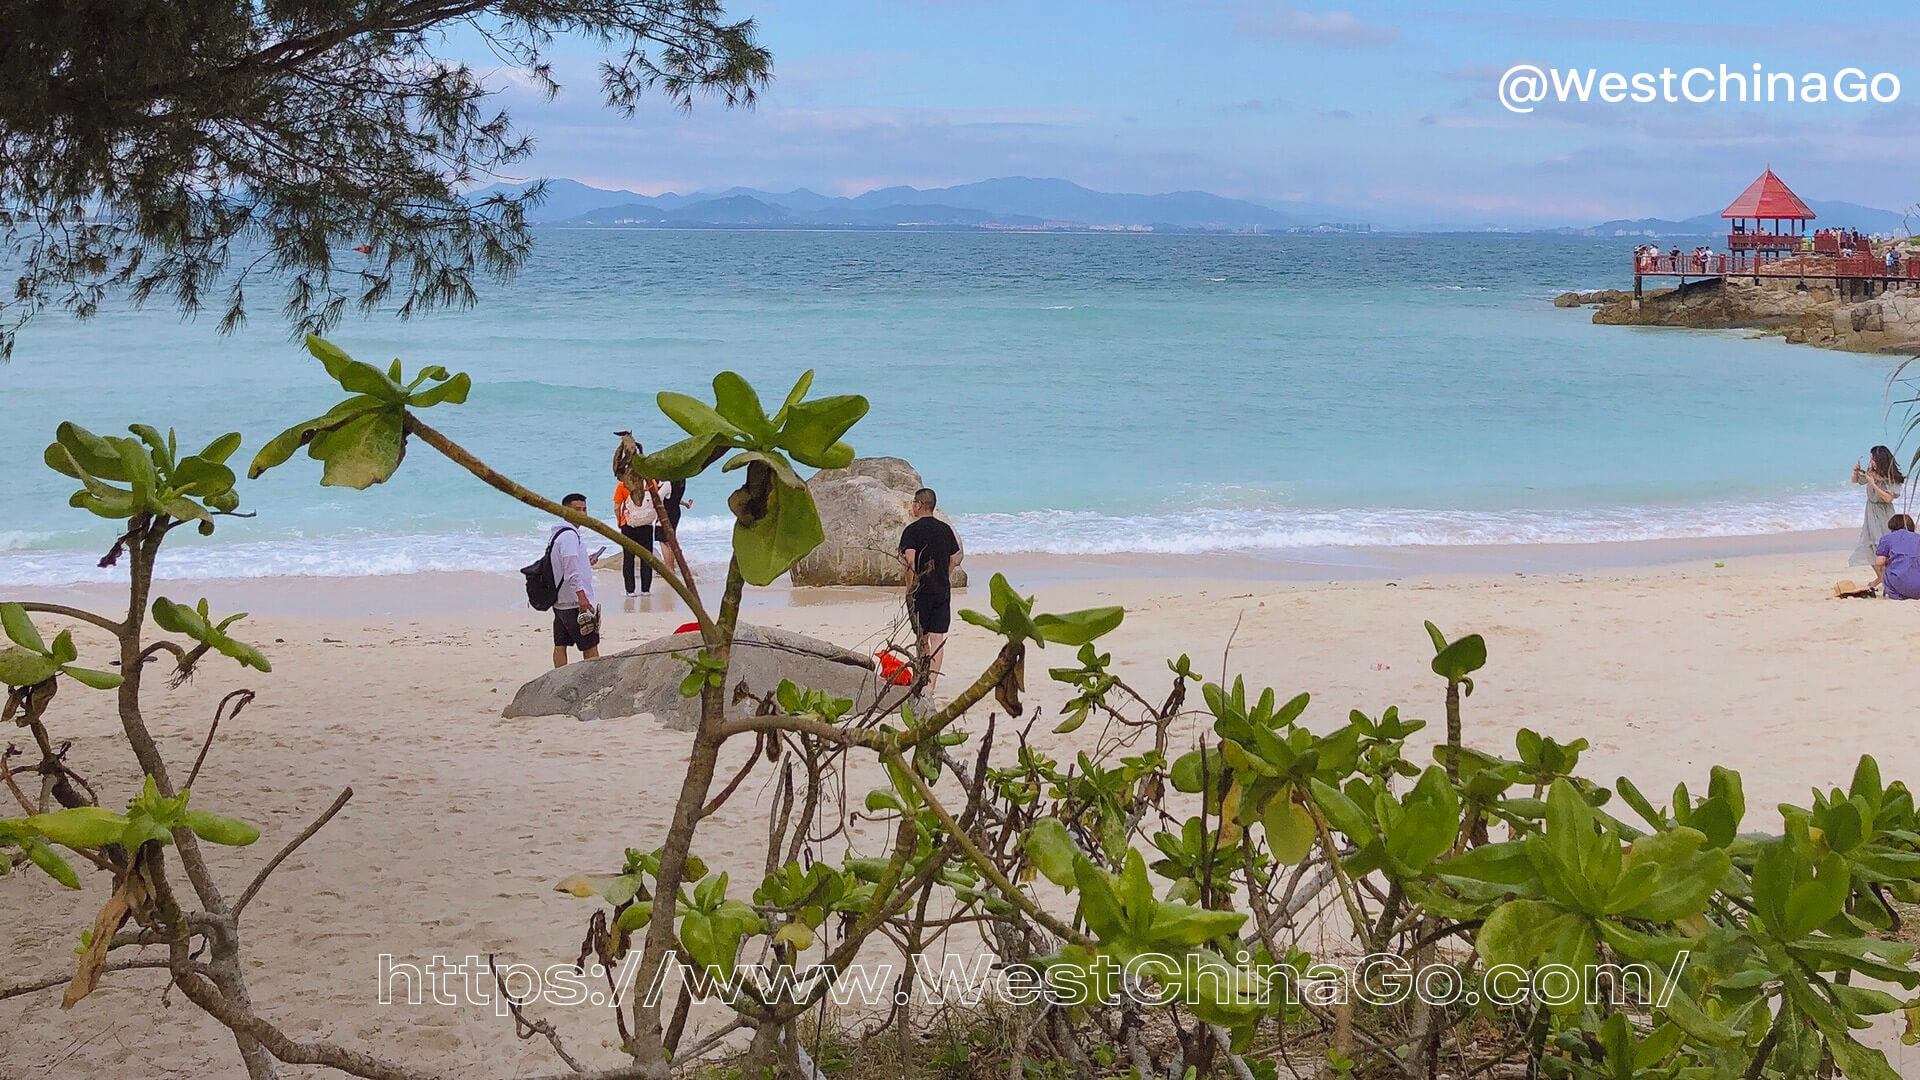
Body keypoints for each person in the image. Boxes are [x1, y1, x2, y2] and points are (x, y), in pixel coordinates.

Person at [898, 487, 962, 696]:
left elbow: (910, 559)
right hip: (942, 589)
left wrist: (910, 586)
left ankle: (922, 676)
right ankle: (931, 685)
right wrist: (945, 575)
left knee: (922, 637)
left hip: (921, 591)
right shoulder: (945, 529)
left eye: (913, 504)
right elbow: (955, 558)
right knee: (937, 637)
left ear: (918, 505)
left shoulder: (912, 531)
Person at [550, 493, 601, 667]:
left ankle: (557, 677)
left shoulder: (558, 533)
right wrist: (582, 598)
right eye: (577, 509)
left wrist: (586, 561)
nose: (582, 513)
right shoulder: (569, 536)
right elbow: (571, 571)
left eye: (584, 509)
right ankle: (594, 680)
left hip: (560, 601)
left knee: (560, 644)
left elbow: (566, 563)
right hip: (574, 602)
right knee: (590, 646)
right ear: (565, 511)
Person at [1850, 446, 1906, 566]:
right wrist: (1855, 472)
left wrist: (1873, 484)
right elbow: (1855, 481)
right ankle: (1880, 576)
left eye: (1873, 459)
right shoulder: (1871, 472)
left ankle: (1887, 574)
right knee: (1868, 543)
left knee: (1884, 541)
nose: (1871, 462)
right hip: (1871, 509)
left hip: (1884, 511)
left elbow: (1888, 498)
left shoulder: (1891, 477)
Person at [613, 472, 661, 596]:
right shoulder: (651, 484)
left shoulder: (622, 485)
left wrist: (619, 521)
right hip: (646, 524)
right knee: (647, 557)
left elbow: (617, 507)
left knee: (629, 558)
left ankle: (630, 590)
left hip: (628, 525)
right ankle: (645, 589)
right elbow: (656, 503)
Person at [1874, 514, 1920, 599]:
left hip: (1900, 583)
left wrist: (1889, 560)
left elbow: (1879, 561)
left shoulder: (1887, 538)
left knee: (1886, 566)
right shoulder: (1918, 537)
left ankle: (1895, 594)